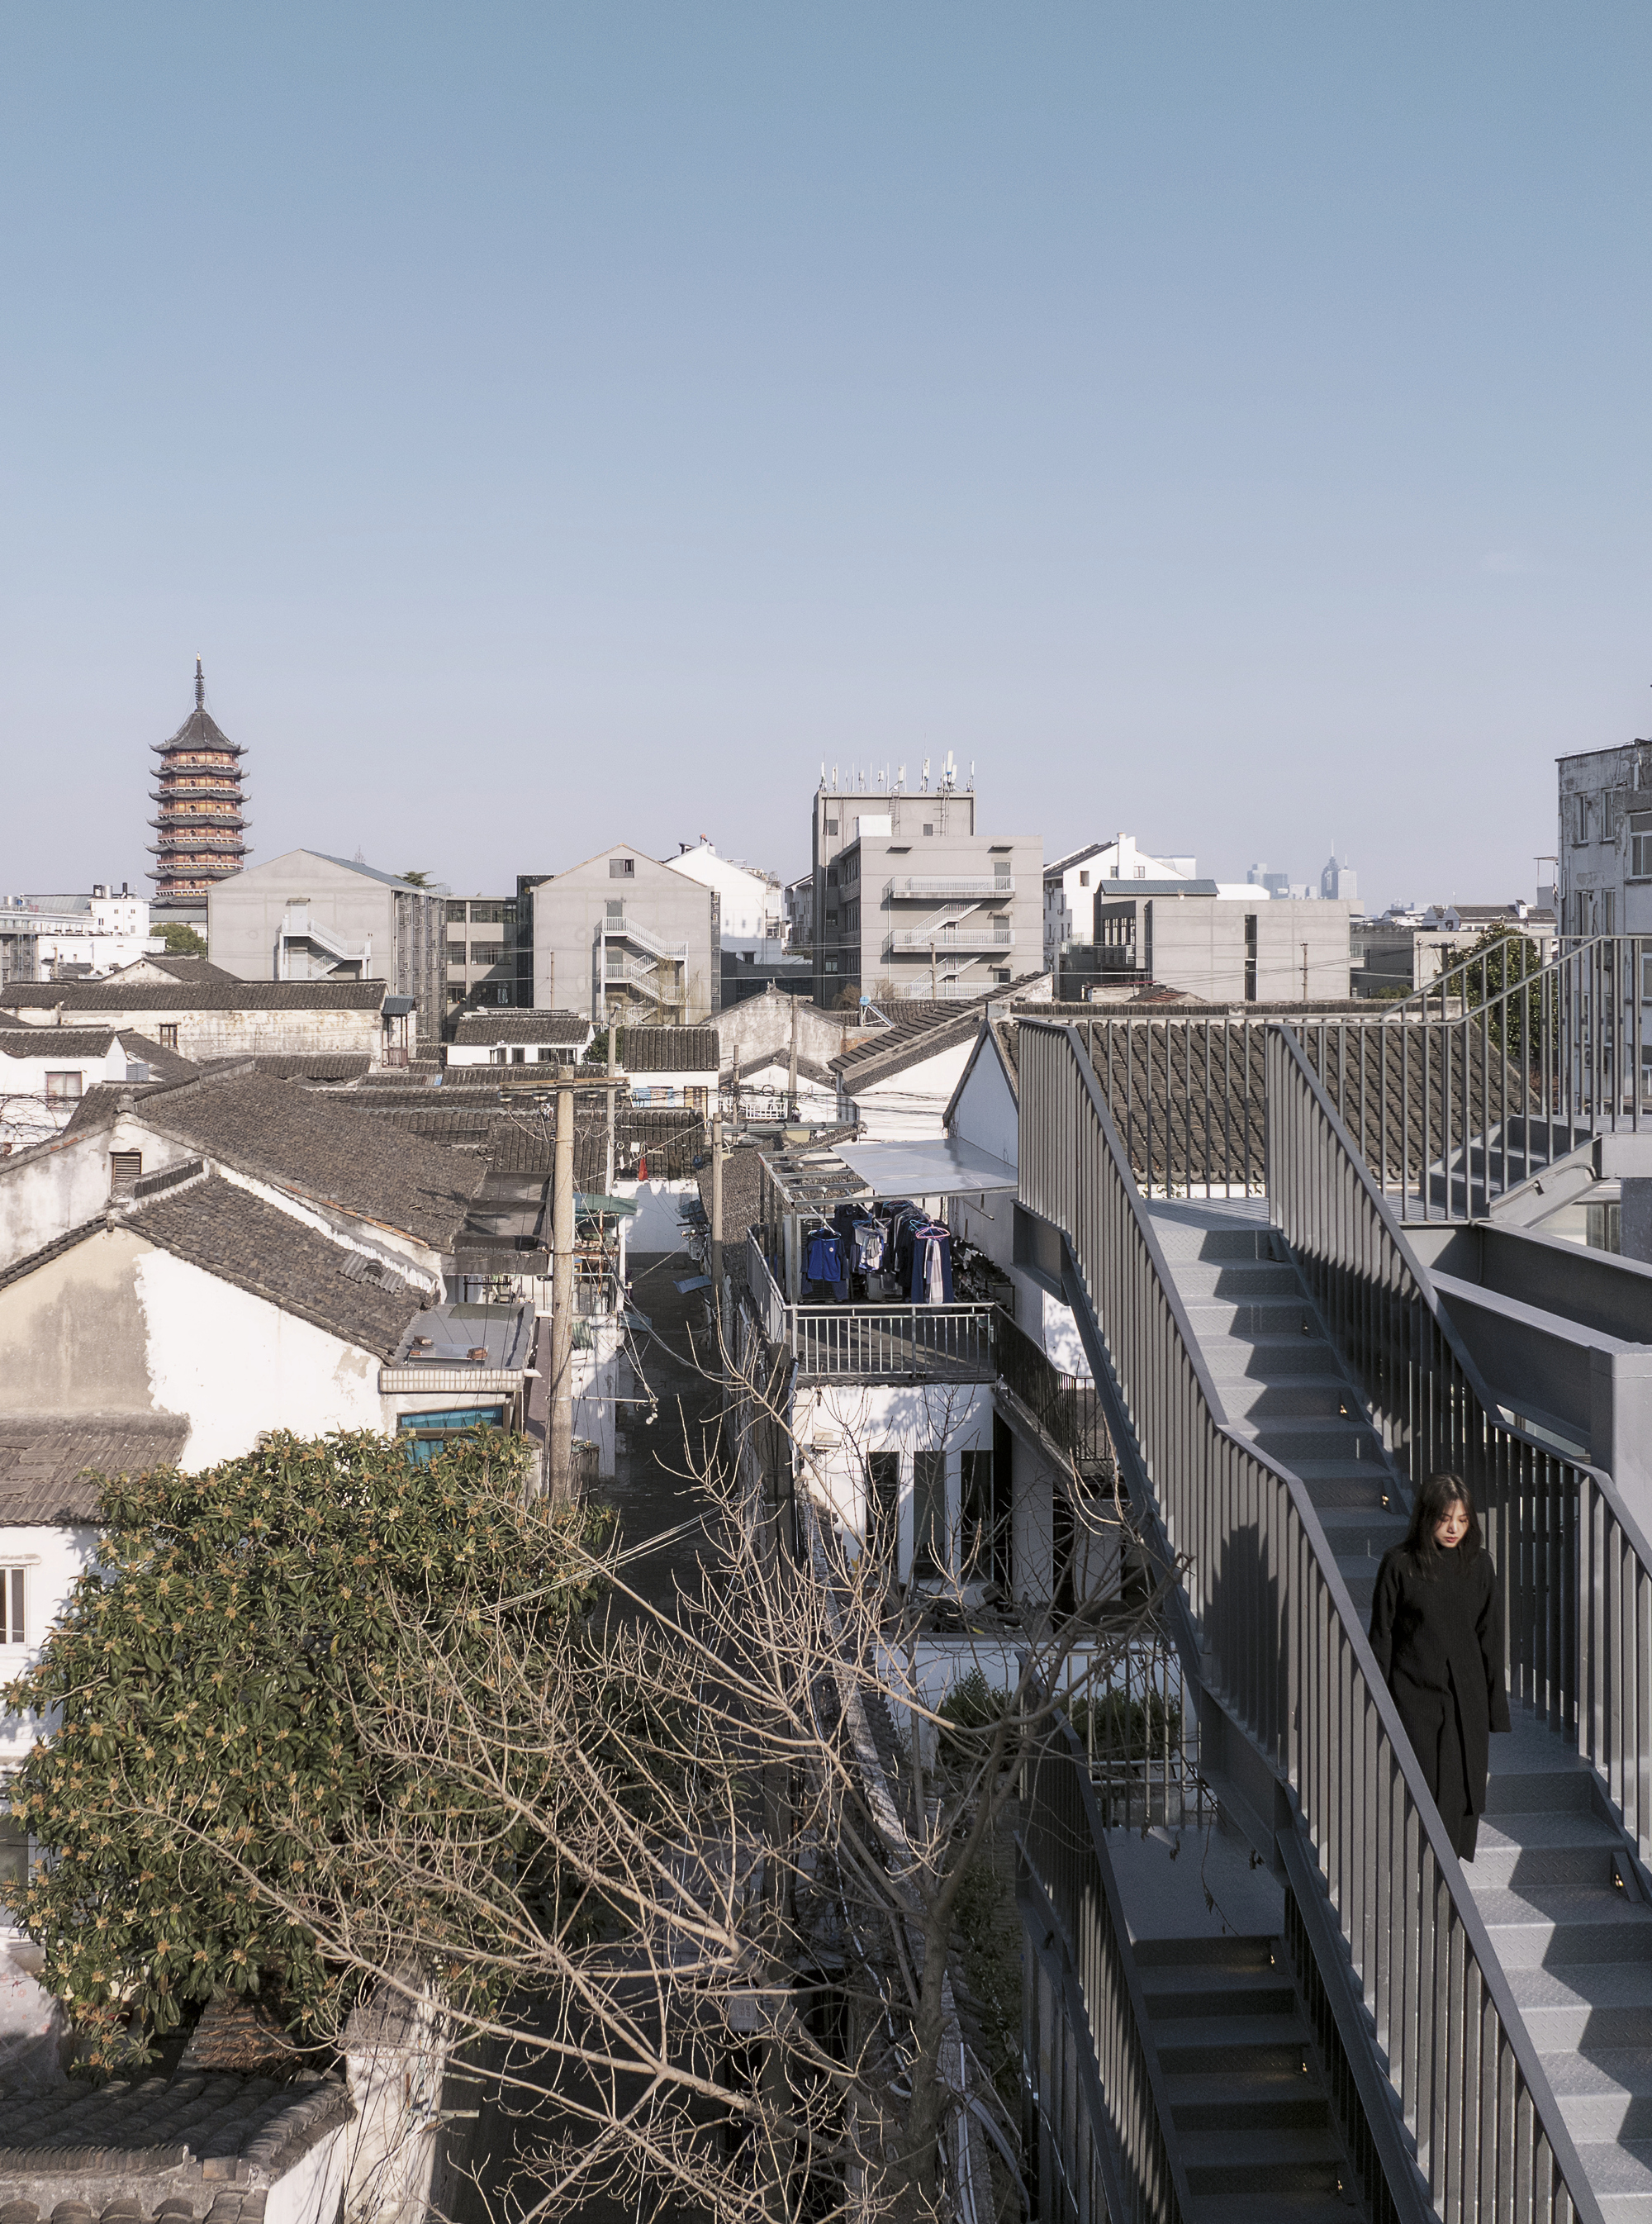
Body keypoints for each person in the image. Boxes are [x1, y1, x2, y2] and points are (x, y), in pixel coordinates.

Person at [1368, 1471, 1511, 1860]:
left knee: (1461, 1797)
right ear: (1426, 1516)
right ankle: (1415, 1882)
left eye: (1462, 1520)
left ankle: (1444, 1889)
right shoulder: (1399, 1564)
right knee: (1417, 1796)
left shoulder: (1480, 1565)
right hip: (1412, 1698)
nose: (1453, 1529)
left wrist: (1495, 1710)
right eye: (1445, 1518)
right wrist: (1376, 1706)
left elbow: (1490, 1638)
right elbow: (1381, 1637)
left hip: (1467, 1700)